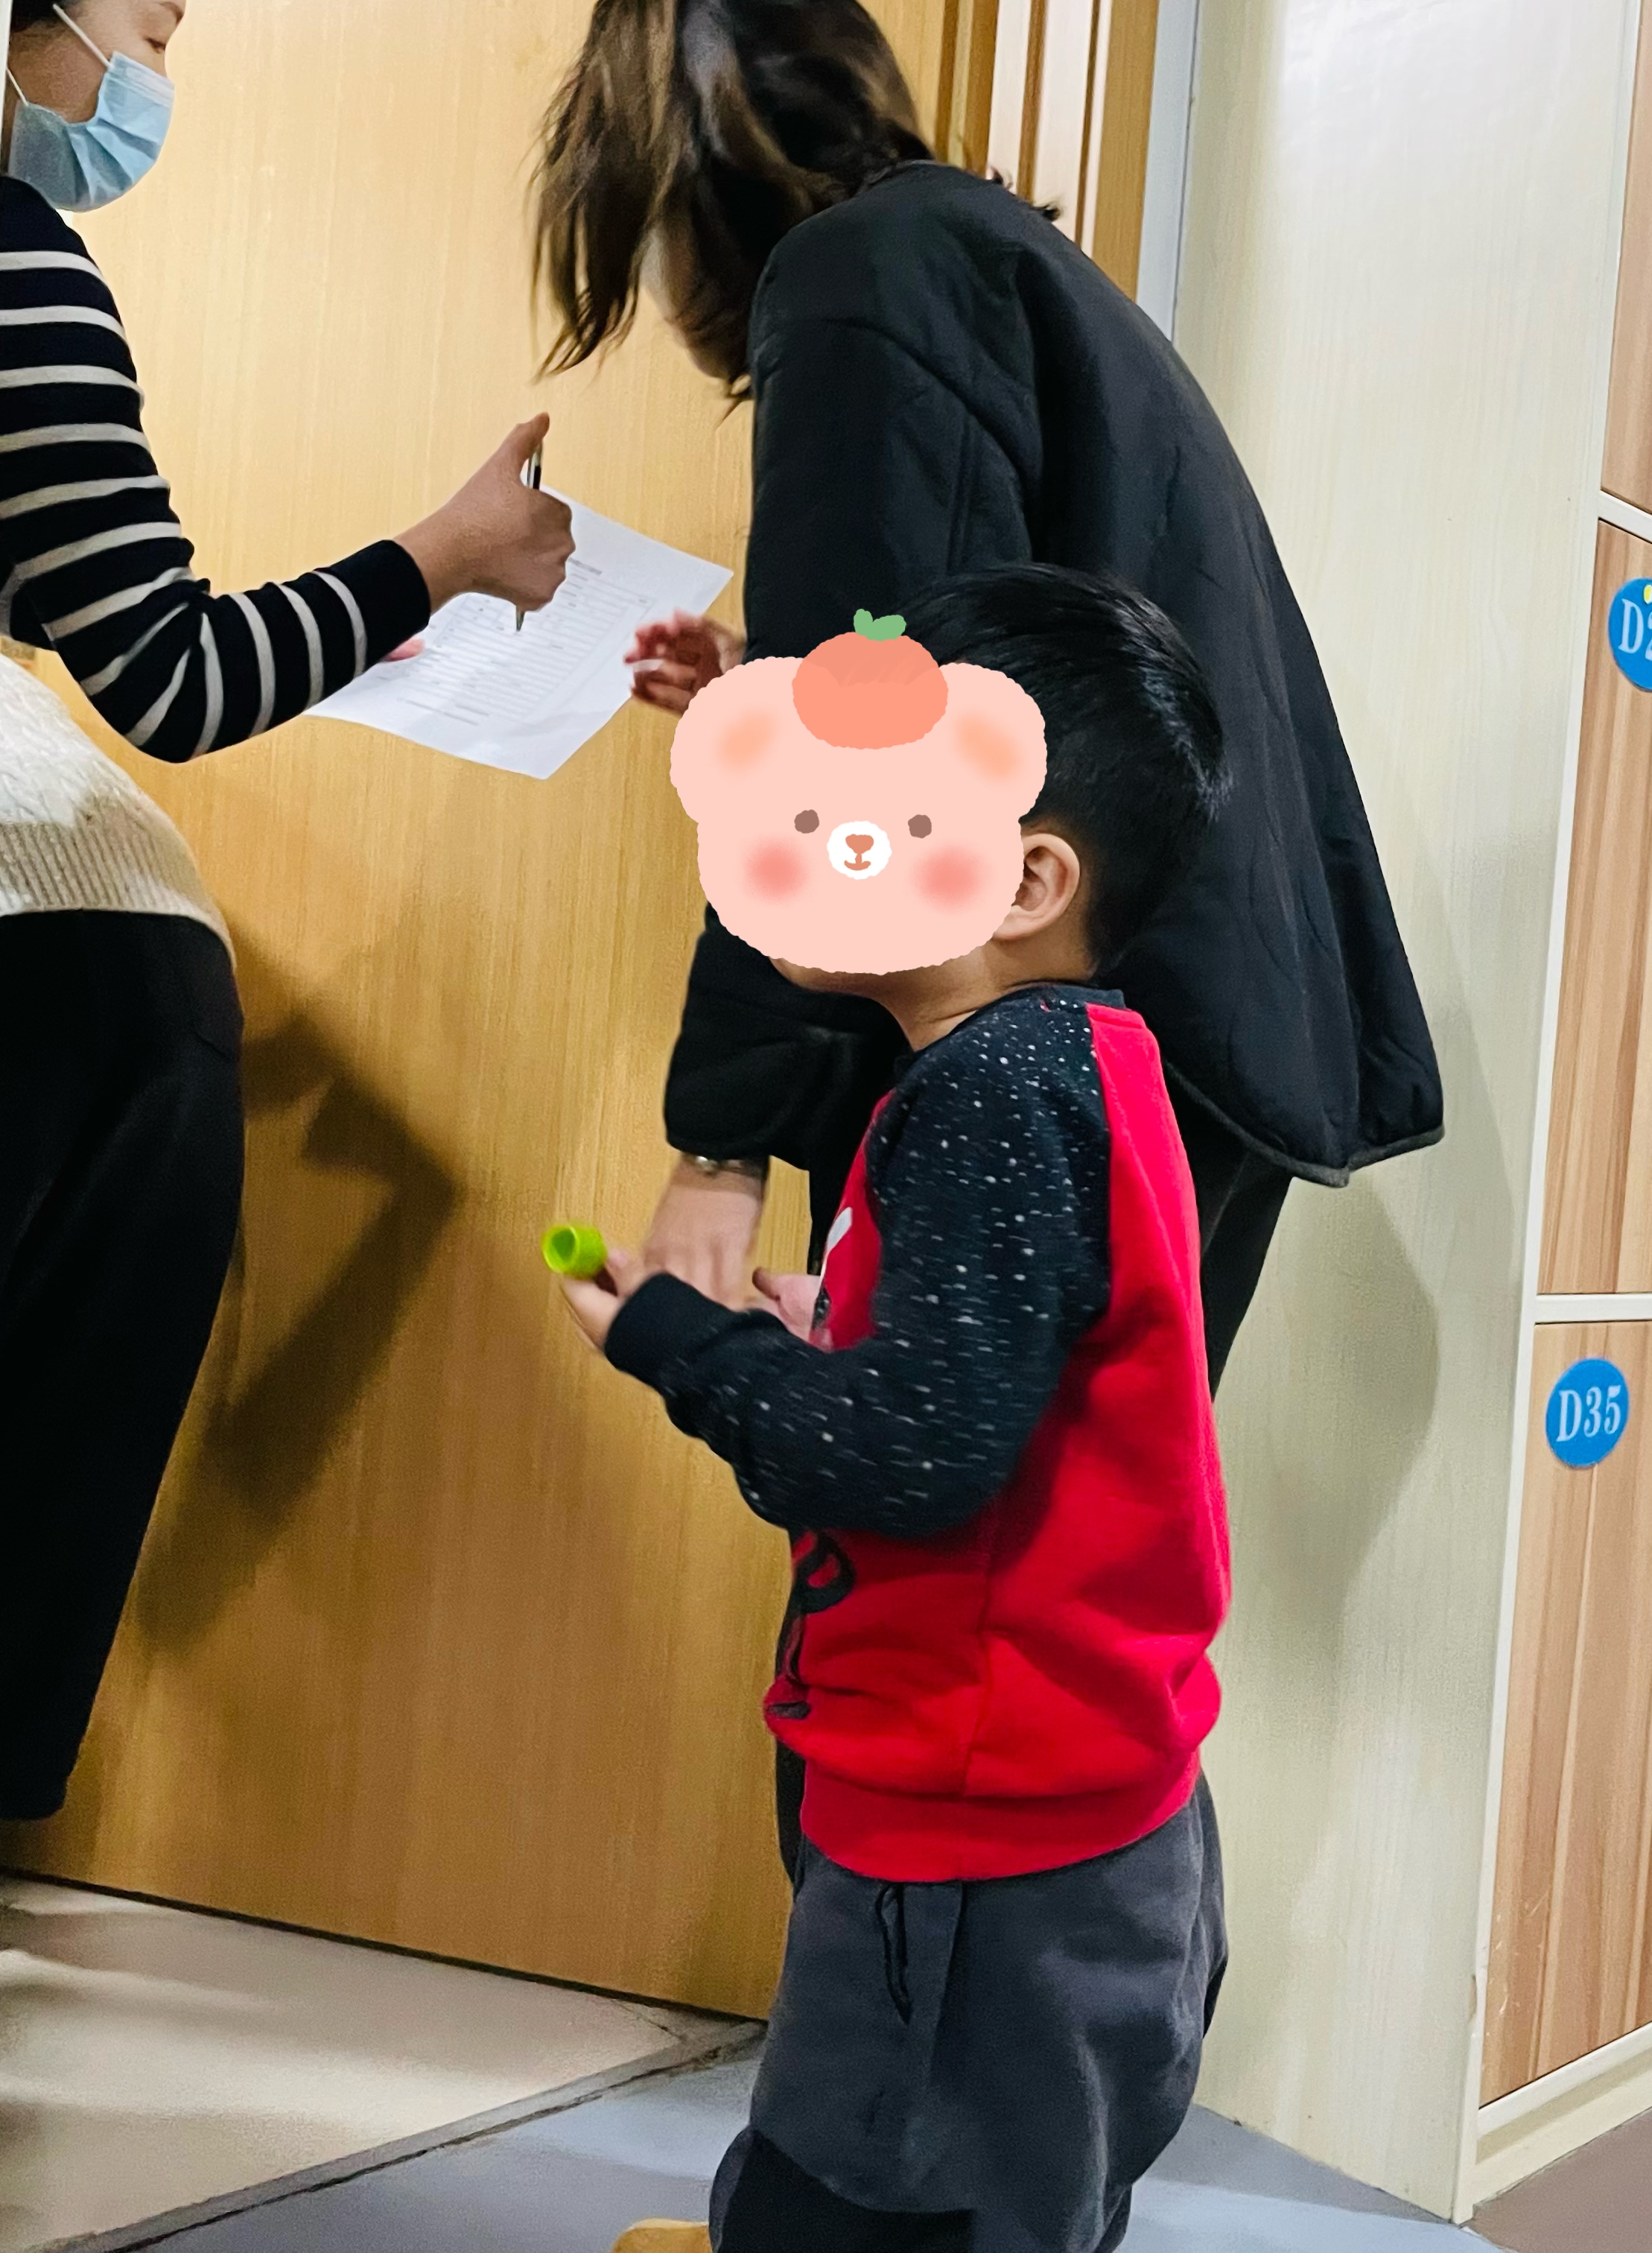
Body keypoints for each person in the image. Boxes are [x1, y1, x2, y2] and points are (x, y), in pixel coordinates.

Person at [0, 0, 572, 1978]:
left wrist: (428, 573)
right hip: (122, 939)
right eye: (154, 23)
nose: (159, 72)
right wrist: (441, 559)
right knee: (49, 1448)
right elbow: (160, 673)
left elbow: (124, 650)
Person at [533, 0, 1443, 1393]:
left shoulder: (856, 278)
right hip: (1184, 1020)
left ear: (673, 172)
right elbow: (971, 657)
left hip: (1067, 1038)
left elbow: (858, 743)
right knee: (1073, 1505)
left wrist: (722, 1147)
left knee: (939, 1505)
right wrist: (770, 671)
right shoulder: (979, 259)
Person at [566, 567, 1231, 2253]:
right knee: (996, 2189)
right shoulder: (1081, 1060)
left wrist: (678, 1341)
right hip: (1074, 1802)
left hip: (973, 1836)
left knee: (863, 2201)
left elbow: (909, 1460)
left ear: (1027, 880)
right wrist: (837, 1326)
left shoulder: (989, 1095)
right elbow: (1014, 1368)